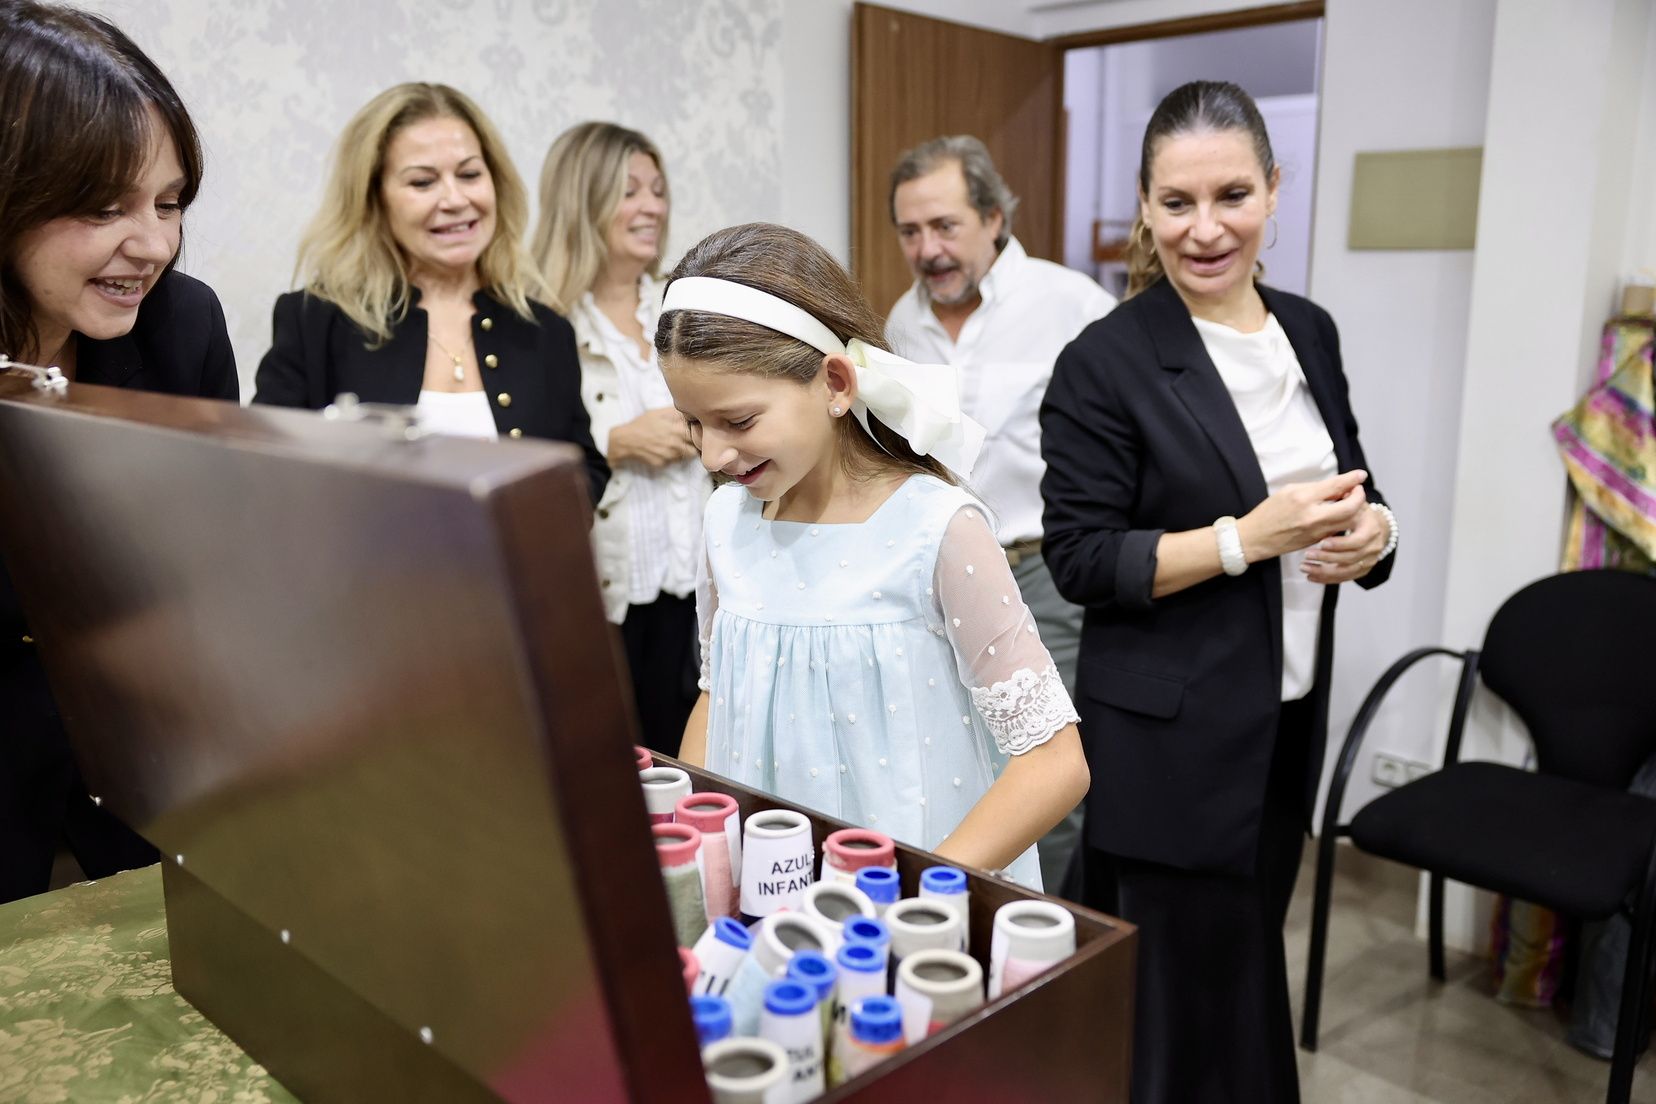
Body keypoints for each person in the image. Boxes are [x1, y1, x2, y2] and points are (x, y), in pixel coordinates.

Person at [1040, 81, 1398, 1103]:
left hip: (1281, 723)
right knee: (1175, 1006)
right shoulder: (1105, 362)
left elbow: (1359, 486)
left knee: (1238, 976)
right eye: (1178, 202)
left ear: (1276, 191)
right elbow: (1084, 558)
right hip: (1167, 740)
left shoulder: (1311, 332)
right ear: (1146, 207)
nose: (1206, 230)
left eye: (1233, 195)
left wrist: (1379, 531)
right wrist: (1246, 540)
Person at [658, 222, 1090, 889]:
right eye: (693, 423)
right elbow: (720, 696)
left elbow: (1054, 761)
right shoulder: (725, 522)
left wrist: (913, 889)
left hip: (909, 900)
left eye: (738, 422)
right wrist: (698, 839)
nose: (713, 455)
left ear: (834, 383)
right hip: (770, 895)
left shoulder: (937, 529)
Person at [0, 0, 239, 904]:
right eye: (105, 207)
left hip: (144, 752)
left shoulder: (183, 326)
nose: (153, 245)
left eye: (170, 202)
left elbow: (211, 558)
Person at [885, 135, 1115, 889]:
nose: (928, 249)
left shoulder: (1071, 303)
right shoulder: (900, 324)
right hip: (932, 581)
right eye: (911, 232)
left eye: (946, 226)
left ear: (993, 218)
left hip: (1040, 572)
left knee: (1045, 773)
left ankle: (1033, 941)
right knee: (954, 758)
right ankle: (962, 922)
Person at [253, 83, 607, 506]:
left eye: (470, 174)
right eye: (423, 182)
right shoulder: (315, 320)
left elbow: (585, 468)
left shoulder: (545, 331)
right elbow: (264, 470)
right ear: (374, 199)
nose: (455, 199)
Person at [531, 122, 708, 754]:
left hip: (695, 590)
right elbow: (523, 450)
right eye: (630, 190)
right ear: (584, 200)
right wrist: (616, 441)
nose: (653, 207)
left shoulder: (682, 310)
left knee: (690, 772)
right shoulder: (538, 322)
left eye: (658, 190)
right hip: (603, 599)